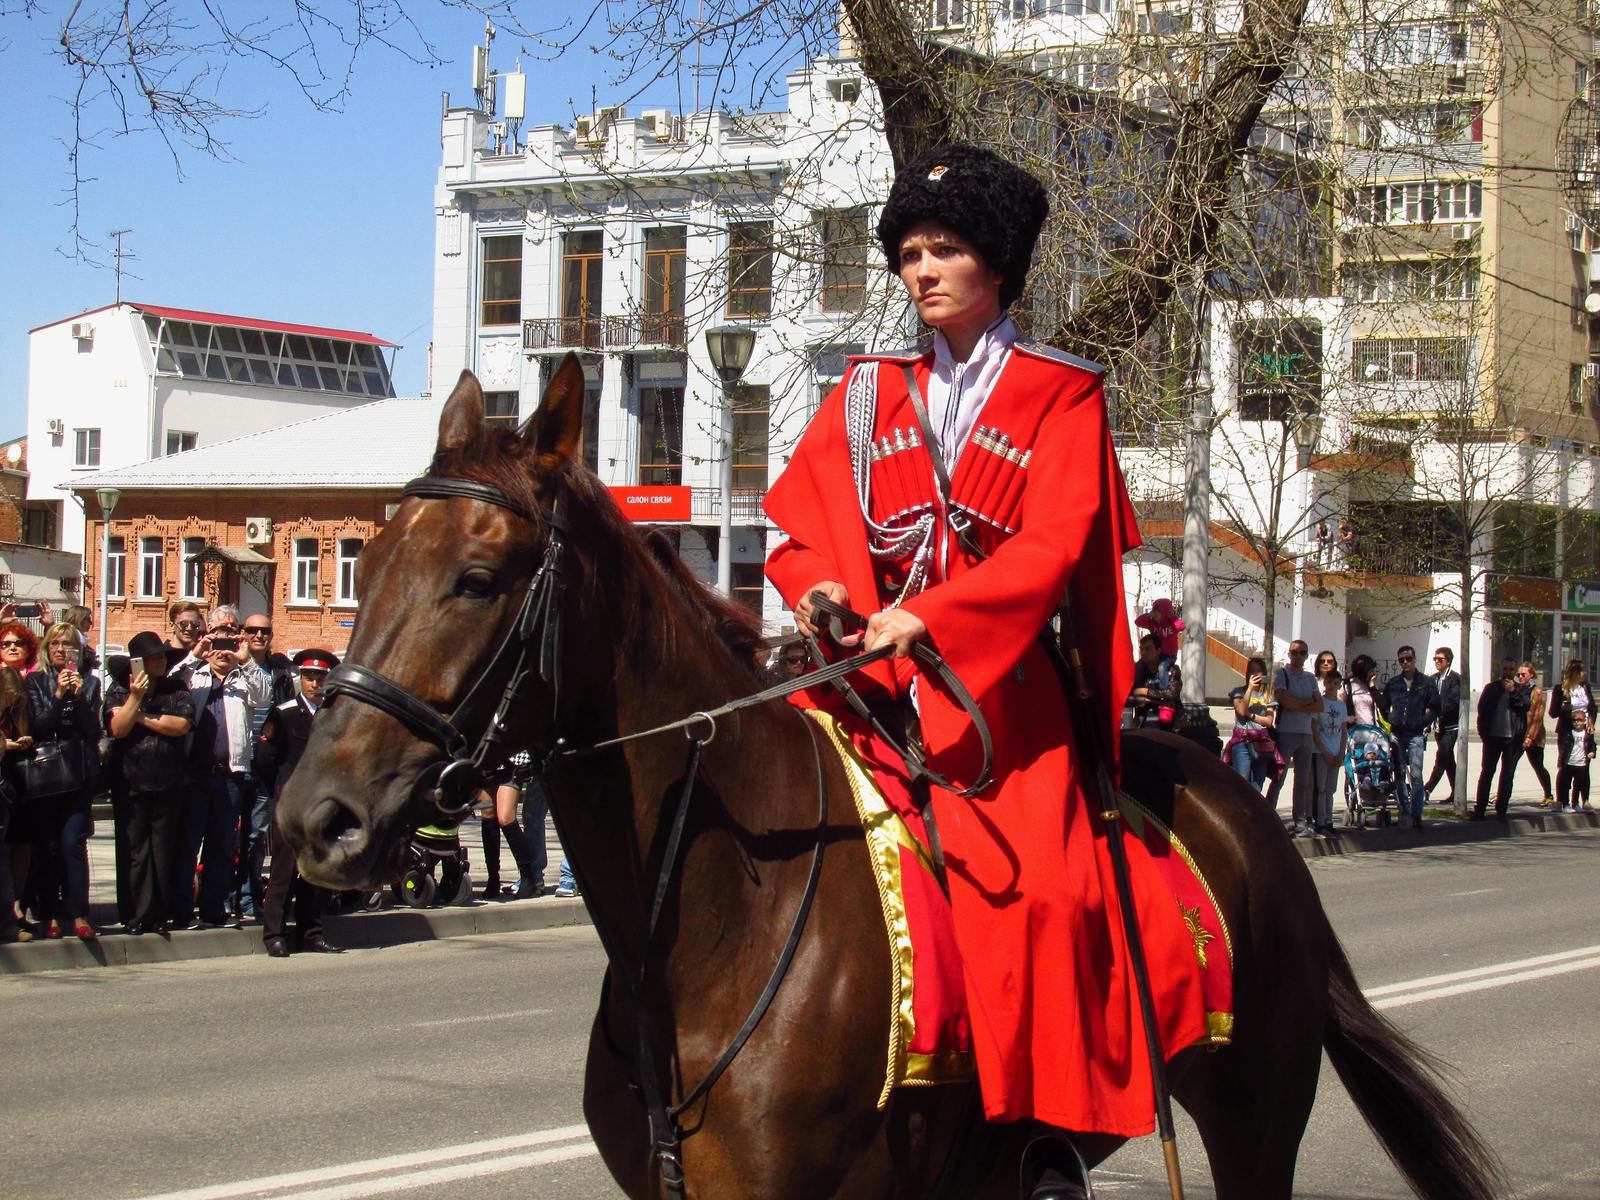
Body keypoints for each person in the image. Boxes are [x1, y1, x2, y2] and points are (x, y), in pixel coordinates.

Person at [763, 142, 1208, 1197]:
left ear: (995, 263)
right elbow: (801, 526)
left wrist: (935, 616)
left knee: (1045, 897)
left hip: (999, 702)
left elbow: (1053, 546)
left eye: (945, 248)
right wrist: (821, 590)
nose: (922, 270)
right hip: (866, 685)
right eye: (909, 252)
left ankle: (1044, 1133)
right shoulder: (867, 396)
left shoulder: (1060, 392)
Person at [174, 606, 271, 928]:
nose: (223, 651)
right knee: (188, 844)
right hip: (195, 773)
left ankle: (215, 909)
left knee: (222, 846)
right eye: (219, 643)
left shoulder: (243, 678)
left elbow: (264, 695)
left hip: (231, 773)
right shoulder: (194, 674)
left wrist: (245, 659)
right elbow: (171, 685)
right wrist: (197, 653)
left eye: (230, 642)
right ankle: (183, 909)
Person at [107, 632, 195, 934]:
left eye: (162, 657)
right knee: (135, 851)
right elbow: (118, 728)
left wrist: (140, 716)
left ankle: (159, 914)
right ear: (138, 663)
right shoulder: (120, 690)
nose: (159, 661)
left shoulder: (177, 689)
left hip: (168, 780)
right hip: (130, 780)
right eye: (153, 657)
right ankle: (135, 914)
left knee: (162, 850)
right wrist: (134, 698)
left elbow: (181, 725)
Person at [257, 649, 341, 956]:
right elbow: (265, 760)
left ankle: (311, 933)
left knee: (315, 874)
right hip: (291, 805)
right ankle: (274, 934)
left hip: (322, 805)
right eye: (309, 676)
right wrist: (281, 792)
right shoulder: (285, 713)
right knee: (282, 872)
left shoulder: (336, 715)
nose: (314, 683)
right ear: (300, 678)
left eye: (320, 677)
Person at [25, 623, 103, 938]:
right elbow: (39, 726)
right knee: (49, 845)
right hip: (46, 772)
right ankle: (50, 913)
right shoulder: (36, 681)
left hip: (78, 771)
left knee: (73, 842)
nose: (60, 650)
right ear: (47, 648)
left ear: (77, 651)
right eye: (55, 644)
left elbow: (92, 731)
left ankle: (79, 912)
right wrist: (58, 696)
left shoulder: (90, 683)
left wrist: (78, 695)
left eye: (67, 645)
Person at [236, 612, 295, 922]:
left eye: (264, 631)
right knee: (229, 837)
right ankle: (228, 895)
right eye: (252, 630)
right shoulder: (232, 664)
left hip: (265, 764)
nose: (259, 635)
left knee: (257, 835)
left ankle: (249, 896)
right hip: (233, 762)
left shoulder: (280, 671)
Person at [1378, 644, 1439, 831]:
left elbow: (1436, 706)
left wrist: (1423, 720)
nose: (1405, 662)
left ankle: (1416, 813)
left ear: (1414, 659)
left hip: (1415, 735)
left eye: (1408, 659)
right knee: (1399, 773)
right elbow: (1383, 705)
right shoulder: (1394, 683)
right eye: (1402, 660)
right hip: (1397, 733)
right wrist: (1391, 719)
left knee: (1416, 775)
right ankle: (1404, 810)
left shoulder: (1426, 682)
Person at [1265, 640, 1322, 836]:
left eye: (1302, 653)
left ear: (1306, 655)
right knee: (1279, 778)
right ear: (1289, 654)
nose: (1298, 656)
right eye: (1294, 652)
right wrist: (1305, 704)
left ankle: (1301, 822)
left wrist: (1297, 704)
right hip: (1286, 731)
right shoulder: (1282, 674)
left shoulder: (1310, 678)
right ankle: (1267, 816)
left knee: (1303, 781)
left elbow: (1319, 705)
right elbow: (1283, 700)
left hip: (1306, 733)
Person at [1471, 657, 1529, 821]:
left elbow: (1526, 705)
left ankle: (1501, 810)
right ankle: (1480, 809)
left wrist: (1513, 692)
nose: (1508, 673)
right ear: (1500, 670)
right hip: (1492, 737)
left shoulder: (1521, 689)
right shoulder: (1491, 688)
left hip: (1512, 739)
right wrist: (1483, 733)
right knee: (1487, 772)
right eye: (1505, 669)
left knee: (1507, 775)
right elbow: (1482, 711)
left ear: (1515, 671)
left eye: (1511, 670)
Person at [0, 666, 34, 942]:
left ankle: (9, 922)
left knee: (6, 857)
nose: (10, 701)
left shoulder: (14, 714)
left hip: (10, 788)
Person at [1224, 655, 1278, 791]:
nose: (1255, 674)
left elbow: (1269, 721)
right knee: (1241, 784)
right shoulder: (1239, 692)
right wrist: (1249, 689)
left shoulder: (1268, 696)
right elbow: (1241, 711)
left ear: (1264, 674)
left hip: (1261, 742)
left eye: (1258, 671)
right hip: (1242, 741)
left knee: (1257, 786)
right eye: (1251, 671)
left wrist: (1252, 715)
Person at [1550, 659, 1594, 813]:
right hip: (1568, 733)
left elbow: (1592, 708)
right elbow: (1553, 713)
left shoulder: (1585, 687)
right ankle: (1563, 801)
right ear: (1575, 673)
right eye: (1582, 671)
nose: (1585, 674)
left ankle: (1581, 801)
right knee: (1567, 767)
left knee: (1583, 768)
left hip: (1585, 733)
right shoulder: (1561, 689)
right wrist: (1563, 708)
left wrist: (1590, 722)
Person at [1423, 647, 1460, 807]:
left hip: (1451, 727)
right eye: (1435, 659)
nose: (1437, 662)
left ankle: (1427, 789)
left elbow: (1453, 702)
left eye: (1440, 659)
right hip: (1438, 727)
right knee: (1448, 760)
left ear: (1448, 661)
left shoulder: (1455, 679)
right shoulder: (1433, 679)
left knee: (1442, 757)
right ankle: (1458, 792)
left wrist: (1435, 709)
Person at [1312, 669, 1348, 835]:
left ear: (1339, 684)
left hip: (1336, 750)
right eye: (1329, 683)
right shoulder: (1320, 703)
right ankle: (1320, 821)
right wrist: (1324, 751)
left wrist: (1341, 752)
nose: (1332, 687)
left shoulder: (1341, 706)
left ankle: (1329, 819)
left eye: (1336, 683)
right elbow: (1314, 728)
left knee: (1331, 788)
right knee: (1321, 787)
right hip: (1321, 751)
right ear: (1324, 683)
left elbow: (1344, 730)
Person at [1128, 632, 1182, 729]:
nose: (1143, 652)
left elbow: (1171, 694)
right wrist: (1157, 700)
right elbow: (1129, 694)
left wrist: (1145, 691)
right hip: (1143, 724)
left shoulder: (1171, 669)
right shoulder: (1137, 670)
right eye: (1141, 649)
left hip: (1168, 725)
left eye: (1148, 649)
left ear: (1158, 650)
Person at [1518, 663, 1553, 807]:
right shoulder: (1517, 689)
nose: (1520, 677)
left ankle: (1548, 794)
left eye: (1523, 674)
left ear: (1531, 675)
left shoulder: (1537, 692)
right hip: (1518, 734)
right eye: (1519, 674)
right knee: (1509, 765)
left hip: (1534, 737)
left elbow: (1538, 717)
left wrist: (1530, 737)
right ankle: (1501, 794)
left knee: (1538, 765)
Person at [1133, 597, 1184, 680]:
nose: (1155, 614)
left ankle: (1162, 687)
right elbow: (1138, 622)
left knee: (1162, 667)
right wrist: (1149, 615)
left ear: (1165, 612)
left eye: (1158, 612)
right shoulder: (1152, 623)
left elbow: (1181, 626)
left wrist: (1172, 617)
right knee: (1140, 666)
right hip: (1155, 654)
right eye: (1154, 611)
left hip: (1169, 655)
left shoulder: (1171, 623)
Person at [166, 601, 206, 668]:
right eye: (183, 623)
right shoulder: (162, 656)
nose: (189, 628)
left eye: (194, 624)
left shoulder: (202, 656)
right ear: (172, 625)